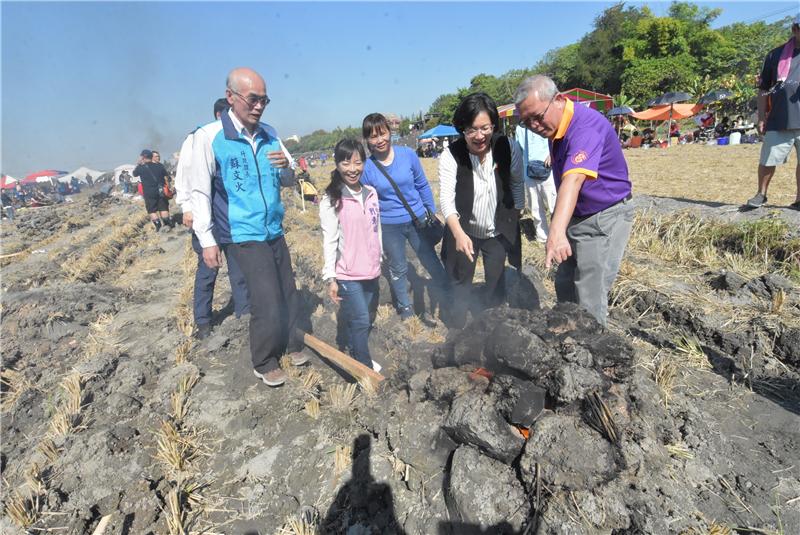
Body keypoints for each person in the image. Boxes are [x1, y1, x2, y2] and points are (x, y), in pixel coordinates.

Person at [190, 67, 308, 387]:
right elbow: (199, 190)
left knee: (288, 292)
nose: (259, 106)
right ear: (231, 97)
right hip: (242, 232)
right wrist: (207, 239)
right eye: (253, 99)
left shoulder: (270, 133)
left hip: (273, 226)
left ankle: (293, 342)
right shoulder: (210, 137)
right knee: (266, 297)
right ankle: (264, 359)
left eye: (264, 100)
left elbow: (288, 177)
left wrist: (288, 170)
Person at [515, 75, 634, 326]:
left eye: (537, 117)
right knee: (565, 283)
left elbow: (573, 181)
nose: (534, 126)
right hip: (578, 214)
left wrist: (555, 234)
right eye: (526, 122)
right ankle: (568, 337)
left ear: (558, 100)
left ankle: (595, 353)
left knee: (589, 292)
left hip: (603, 216)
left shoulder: (585, 128)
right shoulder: (556, 124)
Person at [440, 92, 525, 328]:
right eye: (471, 130)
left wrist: (516, 214)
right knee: (459, 281)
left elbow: (517, 182)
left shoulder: (509, 147)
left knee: (496, 280)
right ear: (462, 129)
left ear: (494, 125)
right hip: (463, 229)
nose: (479, 136)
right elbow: (446, 199)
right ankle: (456, 328)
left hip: (497, 230)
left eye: (485, 128)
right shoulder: (451, 155)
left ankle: (492, 326)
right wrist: (458, 234)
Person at [361, 112, 451, 321]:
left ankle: (447, 293)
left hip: (417, 219)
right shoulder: (367, 167)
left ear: (389, 132)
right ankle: (405, 309)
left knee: (429, 257)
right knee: (398, 267)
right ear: (367, 140)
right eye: (373, 136)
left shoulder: (407, 155)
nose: (380, 140)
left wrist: (431, 210)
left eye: (382, 133)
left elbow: (421, 184)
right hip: (390, 225)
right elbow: (368, 204)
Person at [175, 97, 250, 340]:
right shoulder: (199, 137)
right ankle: (204, 321)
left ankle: (244, 315)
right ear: (220, 115)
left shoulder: (236, 139)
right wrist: (186, 206)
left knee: (239, 269)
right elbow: (186, 176)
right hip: (205, 215)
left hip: (230, 215)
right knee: (208, 269)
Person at [320, 139, 382, 371]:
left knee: (364, 319)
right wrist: (331, 277)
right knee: (361, 320)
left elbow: (377, 228)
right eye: (346, 163)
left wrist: (380, 255)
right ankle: (364, 369)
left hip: (371, 269)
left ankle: (357, 352)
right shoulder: (332, 199)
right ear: (337, 164)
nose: (352, 168)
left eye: (357, 162)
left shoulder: (371, 193)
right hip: (348, 273)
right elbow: (329, 239)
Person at [746, 14, 800, 210]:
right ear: (795, 30)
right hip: (779, 118)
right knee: (768, 159)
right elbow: (763, 89)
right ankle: (761, 194)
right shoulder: (775, 55)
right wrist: (761, 116)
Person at [515, 122, 557, 243]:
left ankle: (558, 235)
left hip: (546, 169)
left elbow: (557, 139)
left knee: (554, 204)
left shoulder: (544, 122)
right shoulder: (520, 128)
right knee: (535, 207)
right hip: (528, 170)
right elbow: (518, 150)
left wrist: (552, 154)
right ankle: (542, 236)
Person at [133, 149, 174, 231]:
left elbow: (134, 174)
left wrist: (138, 164)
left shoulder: (141, 168)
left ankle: (158, 227)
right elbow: (167, 177)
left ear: (143, 157)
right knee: (163, 208)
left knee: (152, 211)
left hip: (149, 193)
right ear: (151, 157)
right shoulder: (159, 166)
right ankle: (168, 225)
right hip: (161, 191)